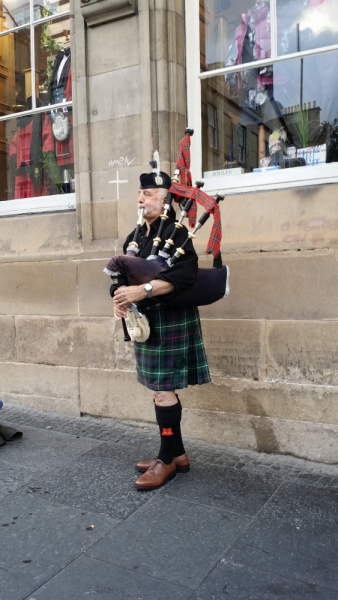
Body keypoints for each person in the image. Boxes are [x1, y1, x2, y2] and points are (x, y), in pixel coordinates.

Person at [113, 169, 211, 491]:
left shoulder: (178, 233)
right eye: (140, 194)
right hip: (147, 323)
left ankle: (166, 459)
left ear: (165, 198)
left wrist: (144, 291)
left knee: (162, 390)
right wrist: (119, 300)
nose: (141, 199)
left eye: (149, 194)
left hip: (171, 319)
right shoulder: (135, 237)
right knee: (160, 388)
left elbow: (186, 276)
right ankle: (178, 454)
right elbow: (120, 278)